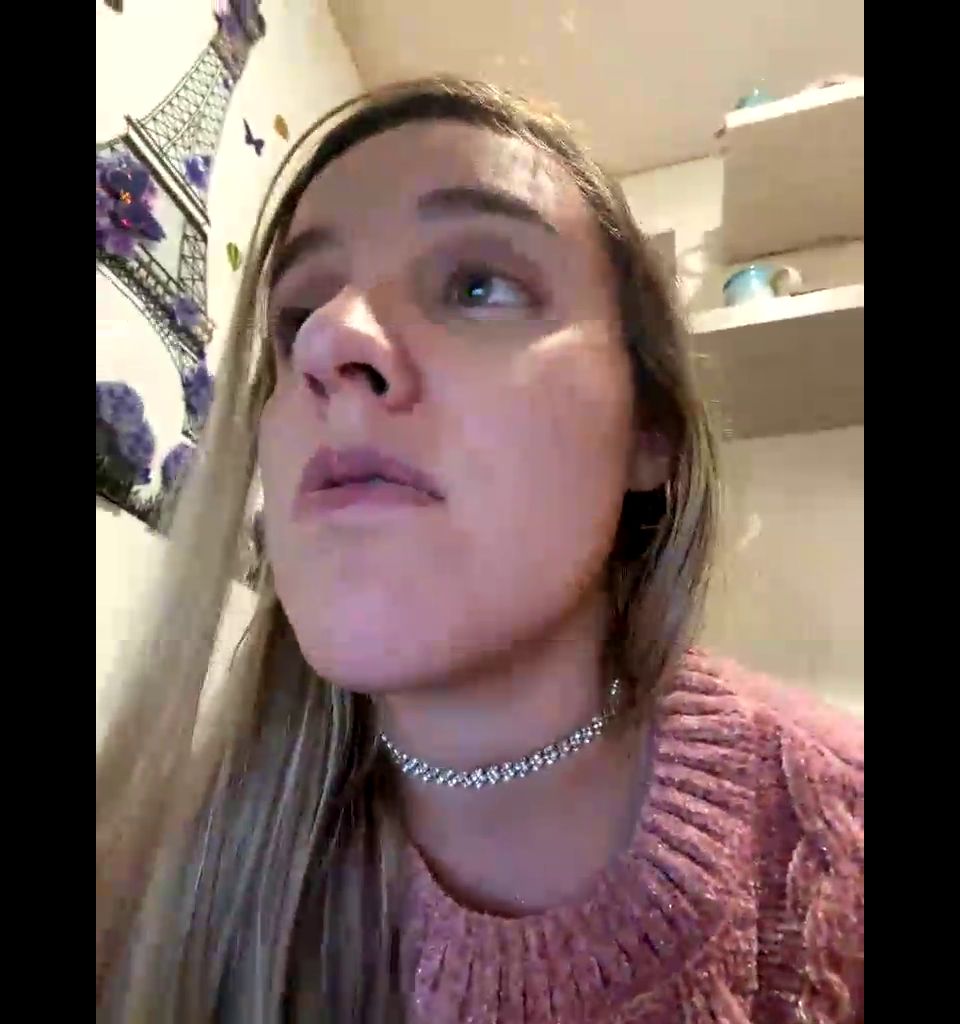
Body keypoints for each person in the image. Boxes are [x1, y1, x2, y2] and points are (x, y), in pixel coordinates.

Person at [96, 77, 863, 1023]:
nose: (329, 340)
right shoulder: (148, 878)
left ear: (649, 430)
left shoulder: (841, 841)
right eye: (296, 315)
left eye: (477, 286)